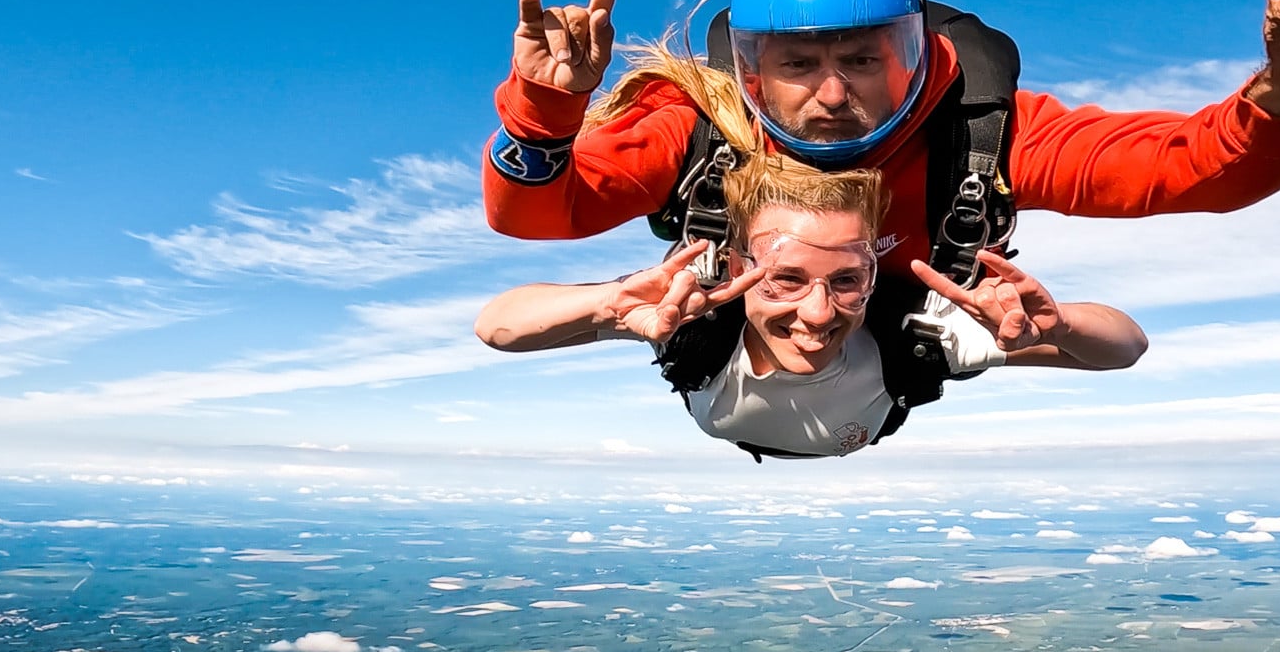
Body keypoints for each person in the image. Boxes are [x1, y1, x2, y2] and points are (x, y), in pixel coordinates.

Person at [481, 0, 1280, 290]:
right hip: (752, 323)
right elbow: (539, 212)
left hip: (900, 327)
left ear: (917, 46)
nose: (837, 95)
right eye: (798, 66)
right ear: (749, 72)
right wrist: (544, 114)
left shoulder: (984, 129)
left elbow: (1189, 168)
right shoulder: (698, 129)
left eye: (868, 57)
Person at [474, 155, 1146, 459]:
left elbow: (1125, 346)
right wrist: (611, 303)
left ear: (873, 276)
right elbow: (497, 327)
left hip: (842, 417)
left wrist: (1059, 326)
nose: (820, 315)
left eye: (848, 282)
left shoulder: (916, 332)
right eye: (785, 279)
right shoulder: (694, 317)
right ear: (737, 269)